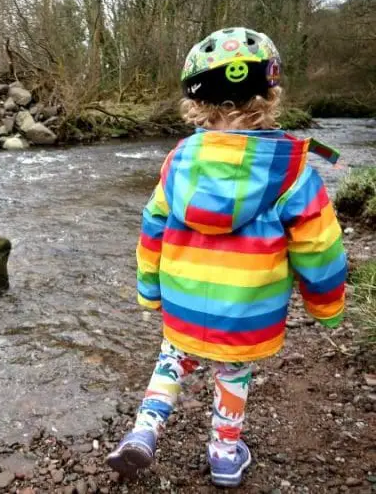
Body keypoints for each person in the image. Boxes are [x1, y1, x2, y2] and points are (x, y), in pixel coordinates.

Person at [106, 27, 348, 488]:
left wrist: (149, 291)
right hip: (246, 314)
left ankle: (144, 431)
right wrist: (327, 304)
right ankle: (224, 454)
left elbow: (152, 228)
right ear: (269, 96)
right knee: (233, 375)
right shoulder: (293, 168)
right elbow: (320, 246)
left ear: (196, 104)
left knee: (171, 361)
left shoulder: (177, 161)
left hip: (184, 305)